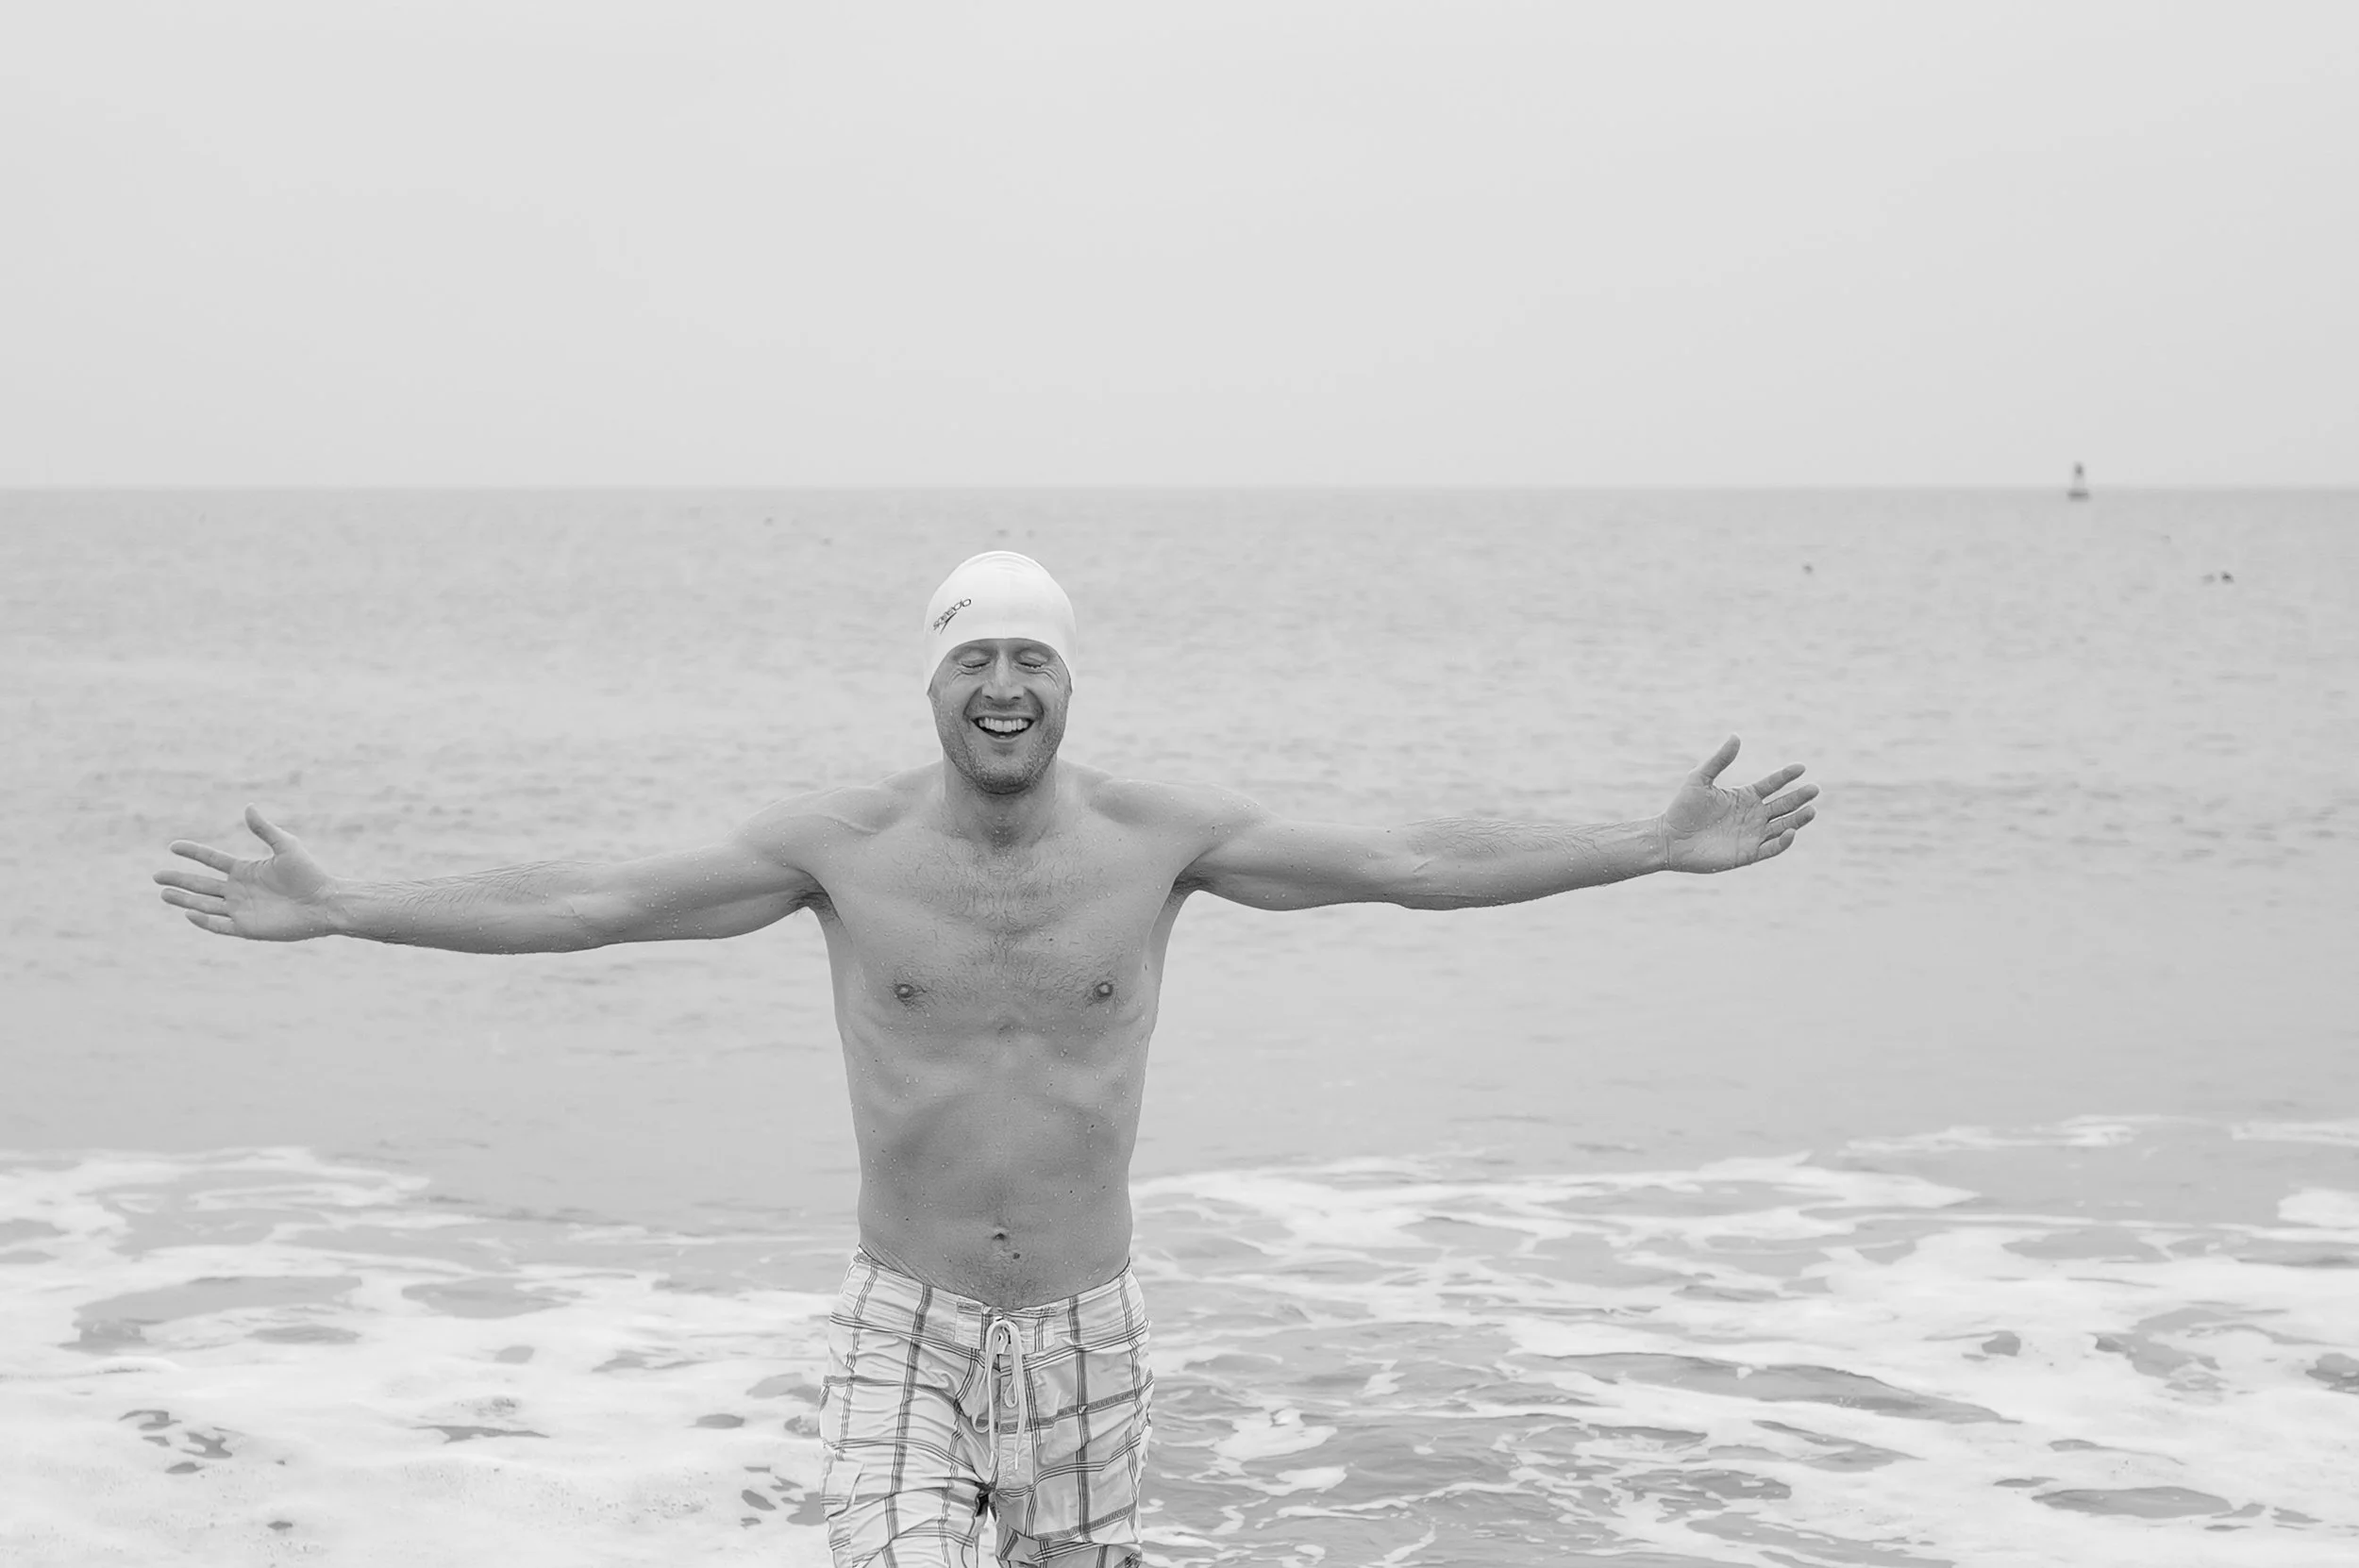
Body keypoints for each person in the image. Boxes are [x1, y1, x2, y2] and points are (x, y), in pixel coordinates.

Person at [154, 550, 1818, 1568]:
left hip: (1092, 1324)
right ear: (934, 683)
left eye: (1031, 657)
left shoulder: (1165, 840)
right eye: (974, 656)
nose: (1003, 682)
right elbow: (590, 899)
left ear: (1066, 683)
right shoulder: (841, 845)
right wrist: (350, 904)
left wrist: (1641, 846)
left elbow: (1416, 858)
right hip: (910, 1321)